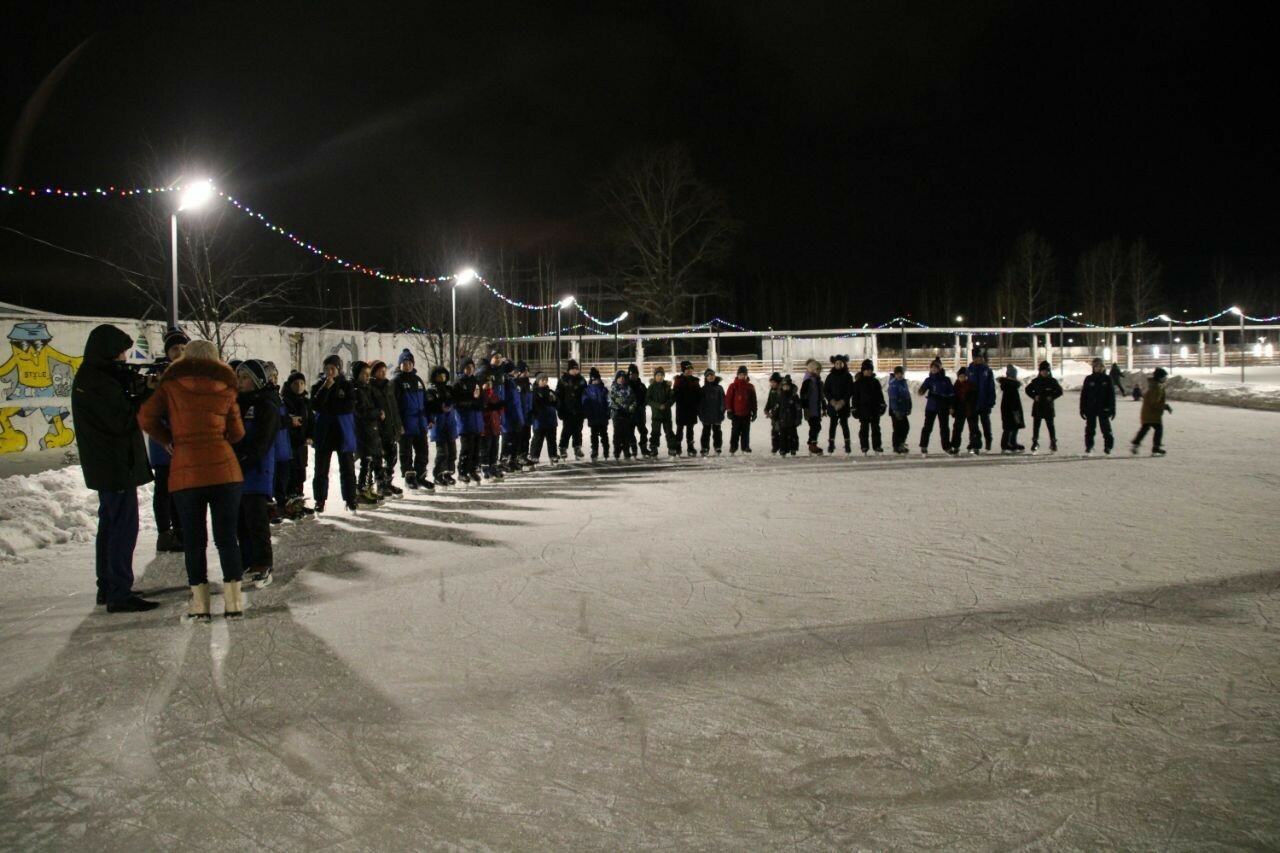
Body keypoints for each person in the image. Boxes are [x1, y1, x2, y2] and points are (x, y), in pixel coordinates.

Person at [137, 339, 244, 619]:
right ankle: (234, 604)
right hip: (225, 471)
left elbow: (146, 417)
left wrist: (168, 440)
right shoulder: (227, 386)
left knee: (195, 542)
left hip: (187, 471)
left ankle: (200, 606)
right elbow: (238, 433)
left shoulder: (170, 385)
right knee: (227, 539)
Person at [74, 324, 158, 613]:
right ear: (109, 352)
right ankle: (119, 591)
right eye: (121, 352)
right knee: (123, 527)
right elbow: (122, 420)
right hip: (114, 465)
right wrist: (146, 396)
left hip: (108, 465)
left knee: (110, 526)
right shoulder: (98, 382)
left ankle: (109, 586)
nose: (124, 358)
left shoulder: (94, 377)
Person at [233, 359, 280, 587]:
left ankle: (263, 562)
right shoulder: (238, 402)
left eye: (244, 378)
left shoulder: (266, 404)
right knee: (240, 520)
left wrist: (244, 459)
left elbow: (262, 442)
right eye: (238, 377)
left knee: (256, 520)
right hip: (237, 471)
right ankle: (246, 561)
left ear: (256, 381)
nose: (239, 382)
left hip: (256, 471)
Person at [143, 327, 189, 553]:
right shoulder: (158, 373)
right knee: (163, 487)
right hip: (163, 439)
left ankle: (181, 530)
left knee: (181, 488)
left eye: (182, 348)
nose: (179, 352)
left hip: (184, 439)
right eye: (174, 348)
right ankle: (165, 532)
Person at [312, 354, 358, 512]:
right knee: (321, 470)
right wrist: (325, 388)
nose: (330, 372)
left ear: (338, 369)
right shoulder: (319, 385)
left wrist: (330, 408)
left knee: (347, 469)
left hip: (342, 432)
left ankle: (350, 498)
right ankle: (320, 500)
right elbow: (316, 404)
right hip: (324, 433)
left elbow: (349, 406)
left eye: (333, 368)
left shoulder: (346, 386)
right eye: (327, 369)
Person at [392, 350, 432, 490]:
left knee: (423, 451)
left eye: (409, 363)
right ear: (400, 365)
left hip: (420, 423)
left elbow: (426, 401)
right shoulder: (396, 381)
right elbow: (393, 405)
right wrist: (398, 424)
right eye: (404, 363)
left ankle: (421, 476)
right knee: (406, 452)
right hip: (406, 423)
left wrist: (429, 418)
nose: (407, 366)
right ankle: (409, 477)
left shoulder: (418, 380)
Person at [350, 361, 385, 503]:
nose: (367, 377)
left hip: (371, 430)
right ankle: (361, 489)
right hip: (362, 431)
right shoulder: (355, 390)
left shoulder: (368, 388)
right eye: (364, 374)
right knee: (366, 460)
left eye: (368, 374)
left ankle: (368, 486)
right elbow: (361, 411)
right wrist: (377, 413)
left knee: (371, 459)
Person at [262, 362, 293, 522]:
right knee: (271, 477)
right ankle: (270, 507)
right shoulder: (265, 396)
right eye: (270, 376)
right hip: (273, 444)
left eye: (275, 376)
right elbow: (271, 420)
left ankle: (281, 504)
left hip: (282, 444)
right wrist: (287, 421)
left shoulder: (277, 395)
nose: (273, 379)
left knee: (282, 476)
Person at [282, 371, 313, 517]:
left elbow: (311, 422)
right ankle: (290, 504)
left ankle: (299, 501)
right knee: (290, 474)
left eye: (301, 383)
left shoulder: (306, 402)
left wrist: (311, 436)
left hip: (302, 445)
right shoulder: (285, 402)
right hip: (290, 444)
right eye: (296, 383)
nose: (299, 386)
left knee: (301, 473)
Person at [370, 360, 404, 495]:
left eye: (384, 370)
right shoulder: (371, 387)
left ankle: (388, 481)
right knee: (378, 458)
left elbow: (394, 408)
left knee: (392, 456)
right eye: (380, 371)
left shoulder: (389, 386)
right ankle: (380, 484)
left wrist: (398, 424)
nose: (383, 373)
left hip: (390, 427)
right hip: (378, 428)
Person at [452, 358, 484, 483]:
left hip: (477, 420)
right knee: (467, 448)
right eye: (467, 368)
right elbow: (456, 402)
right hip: (465, 420)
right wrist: (472, 401)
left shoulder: (476, 382)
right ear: (462, 369)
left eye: (471, 367)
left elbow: (481, 400)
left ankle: (472, 470)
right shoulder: (459, 383)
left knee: (476, 448)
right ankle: (462, 471)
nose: (469, 370)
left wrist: (478, 402)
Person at [427, 366, 458, 485]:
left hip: (450, 423)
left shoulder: (449, 389)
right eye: (439, 375)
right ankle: (438, 474)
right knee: (442, 452)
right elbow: (430, 405)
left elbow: (455, 398)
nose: (442, 377)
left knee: (452, 451)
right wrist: (441, 407)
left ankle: (448, 473)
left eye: (443, 375)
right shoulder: (431, 391)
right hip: (439, 424)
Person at [917, 358, 953, 455]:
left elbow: (951, 394)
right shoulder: (929, 380)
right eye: (932, 368)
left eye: (935, 368)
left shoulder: (946, 380)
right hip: (931, 407)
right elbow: (923, 388)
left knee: (944, 428)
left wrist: (951, 406)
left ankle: (946, 446)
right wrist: (921, 390)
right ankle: (924, 446)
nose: (933, 370)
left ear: (939, 369)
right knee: (927, 427)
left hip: (943, 407)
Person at [1080, 357, 1117, 454]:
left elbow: (1111, 395)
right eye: (1097, 366)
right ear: (1093, 367)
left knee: (1106, 429)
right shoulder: (1089, 379)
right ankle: (1089, 446)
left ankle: (1108, 447)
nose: (1099, 368)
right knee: (1090, 429)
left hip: (1103, 408)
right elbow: (1084, 395)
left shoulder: (1107, 379)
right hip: (1091, 408)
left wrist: (1112, 409)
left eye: (1101, 366)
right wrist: (1082, 408)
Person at [1132, 367, 1172, 456]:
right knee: (1158, 429)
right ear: (1159, 378)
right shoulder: (1156, 387)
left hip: (1148, 412)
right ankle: (1155, 448)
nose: (1165, 378)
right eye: (1164, 377)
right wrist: (1165, 407)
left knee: (1145, 428)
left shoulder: (1155, 385)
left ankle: (1136, 443)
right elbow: (1154, 402)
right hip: (1152, 413)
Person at [1024, 361, 1063, 453]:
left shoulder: (1052, 381)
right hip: (1038, 407)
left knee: (1050, 426)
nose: (1045, 372)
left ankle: (1053, 442)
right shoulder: (1036, 381)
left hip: (1048, 407)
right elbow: (1027, 389)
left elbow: (1059, 391)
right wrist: (1034, 396)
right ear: (1040, 371)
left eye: (1047, 371)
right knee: (1036, 426)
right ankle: (1035, 442)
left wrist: (1052, 397)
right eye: (1043, 371)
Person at [852, 358, 886, 454]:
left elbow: (880, 395)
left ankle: (877, 445)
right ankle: (864, 446)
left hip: (874, 409)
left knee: (876, 429)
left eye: (870, 370)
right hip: (863, 410)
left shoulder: (875, 382)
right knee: (864, 429)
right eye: (867, 370)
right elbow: (855, 397)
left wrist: (882, 404)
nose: (869, 372)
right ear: (863, 371)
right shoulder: (858, 383)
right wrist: (854, 408)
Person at [823, 354, 855, 453]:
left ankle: (847, 444)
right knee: (832, 424)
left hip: (843, 405)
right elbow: (826, 390)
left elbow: (850, 390)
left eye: (841, 363)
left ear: (844, 364)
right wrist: (831, 400)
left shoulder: (848, 376)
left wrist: (843, 401)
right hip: (832, 405)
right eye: (837, 363)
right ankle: (831, 444)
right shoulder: (830, 376)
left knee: (844, 424)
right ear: (834, 364)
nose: (838, 365)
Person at [967, 347, 997, 452]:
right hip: (972, 402)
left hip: (984, 401)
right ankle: (974, 443)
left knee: (986, 423)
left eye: (979, 357)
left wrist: (991, 400)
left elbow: (991, 387)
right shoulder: (969, 370)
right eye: (975, 357)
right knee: (973, 425)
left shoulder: (987, 370)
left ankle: (988, 440)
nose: (977, 359)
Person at [557, 358, 587, 460]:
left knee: (578, 430)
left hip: (579, 410)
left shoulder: (582, 380)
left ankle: (577, 447)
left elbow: (586, 395)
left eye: (576, 369)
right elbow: (559, 396)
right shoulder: (563, 380)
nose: (575, 371)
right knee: (567, 430)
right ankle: (563, 447)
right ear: (568, 370)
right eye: (573, 369)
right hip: (567, 410)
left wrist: (585, 409)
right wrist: (560, 410)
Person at [498, 359, 525, 472]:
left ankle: (512, 460)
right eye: (513, 370)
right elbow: (504, 399)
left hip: (515, 414)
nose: (516, 372)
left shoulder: (512, 381)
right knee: (508, 438)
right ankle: (504, 460)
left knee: (516, 438)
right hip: (508, 415)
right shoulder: (505, 381)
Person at [724, 365, 757, 454]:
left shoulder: (750, 387)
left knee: (745, 432)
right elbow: (728, 399)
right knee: (735, 431)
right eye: (741, 374)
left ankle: (745, 446)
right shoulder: (733, 386)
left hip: (746, 414)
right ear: (738, 375)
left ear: (746, 375)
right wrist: (729, 410)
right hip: (736, 414)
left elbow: (753, 400)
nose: (742, 376)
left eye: (744, 374)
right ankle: (733, 447)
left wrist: (754, 412)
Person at [528, 372, 560, 465]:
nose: (545, 382)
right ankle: (534, 456)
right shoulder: (534, 392)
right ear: (538, 381)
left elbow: (557, 404)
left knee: (552, 439)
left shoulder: (550, 391)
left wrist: (555, 400)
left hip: (551, 420)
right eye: (543, 380)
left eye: (546, 380)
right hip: (539, 420)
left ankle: (553, 455)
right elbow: (534, 405)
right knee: (538, 439)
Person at [479, 372, 505, 480]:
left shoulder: (494, 394)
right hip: (486, 428)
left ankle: (493, 465)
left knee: (495, 447)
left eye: (490, 383)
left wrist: (499, 408)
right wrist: (489, 409)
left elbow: (500, 409)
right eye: (486, 383)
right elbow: (481, 410)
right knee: (486, 448)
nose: (488, 385)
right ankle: (484, 467)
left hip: (495, 426)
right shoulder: (481, 395)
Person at [608, 369, 639, 459]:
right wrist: (620, 404)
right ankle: (617, 451)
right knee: (617, 434)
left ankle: (626, 451)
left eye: (623, 378)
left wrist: (630, 407)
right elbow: (610, 401)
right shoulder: (612, 389)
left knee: (626, 434)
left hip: (627, 414)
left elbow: (633, 401)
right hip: (616, 414)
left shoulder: (629, 389)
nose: (621, 379)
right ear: (616, 379)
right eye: (619, 378)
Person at [672, 360, 701, 457]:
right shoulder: (678, 380)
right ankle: (678, 446)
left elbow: (699, 394)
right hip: (682, 408)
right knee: (679, 428)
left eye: (690, 369)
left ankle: (690, 446)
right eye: (687, 369)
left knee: (690, 429)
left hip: (692, 409)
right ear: (683, 370)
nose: (689, 371)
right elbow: (675, 393)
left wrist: (697, 404)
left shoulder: (695, 380)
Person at [647, 366, 677, 457]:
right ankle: (654, 448)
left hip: (666, 415)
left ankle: (672, 448)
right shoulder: (651, 387)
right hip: (656, 414)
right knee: (655, 432)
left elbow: (672, 398)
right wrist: (657, 405)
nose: (659, 377)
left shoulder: (667, 386)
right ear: (655, 376)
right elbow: (648, 399)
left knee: (669, 432)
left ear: (663, 376)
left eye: (661, 375)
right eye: (658, 375)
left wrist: (666, 405)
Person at [583, 366, 611, 460]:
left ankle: (606, 450)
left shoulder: (604, 389)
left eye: (597, 379)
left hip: (603, 417)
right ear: (591, 380)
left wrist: (608, 413)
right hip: (593, 417)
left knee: (604, 434)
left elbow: (608, 402)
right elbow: (585, 402)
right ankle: (594, 450)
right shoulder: (587, 390)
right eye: (593, 380)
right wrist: (588, 413)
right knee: (594, 435)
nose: (595, 381)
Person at [997, 364, 1026, 453]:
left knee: (1014, 426)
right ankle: (1006, 444)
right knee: (1009, 427)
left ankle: (1012, 442)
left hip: (1011, 409)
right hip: (1011, 409)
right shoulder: (1010, 385)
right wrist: (1014, 410)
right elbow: (1011, 400)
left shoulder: (1010, 385)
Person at [800, 359, 825, 455]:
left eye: (819, 370)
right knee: (815, 426)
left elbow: (821, 395)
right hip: (810, 409)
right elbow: (803, 394)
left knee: (817, 426)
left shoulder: (818, 382)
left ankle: (812, 443)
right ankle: (812, 445)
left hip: (817, 409)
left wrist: (824, 406)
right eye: (817, 369)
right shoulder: (807, 382)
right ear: (811, 370)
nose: (818, 371)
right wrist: (805, 406)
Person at [698, 368, 725, 456]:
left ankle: (717, 447)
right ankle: (704, 447)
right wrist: (701, 413)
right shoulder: (703, 389)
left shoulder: (719, 388)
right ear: (706, 378)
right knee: (706, 432)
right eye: (708, 376)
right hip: (706, 415)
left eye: (712, 375)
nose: (710, 377)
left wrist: (722, 411)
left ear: (714, 376)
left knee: (717, 432)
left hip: (717, 414)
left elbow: (723, 401)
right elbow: (700, 403)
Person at [627, 364, 652, 457]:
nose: (633, 376)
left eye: (635, 374)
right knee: (630, 431)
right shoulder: (626, 386)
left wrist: (643, 404)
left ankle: (644, 447)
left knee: (643, 431)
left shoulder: (641, 385)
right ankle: (633, 447)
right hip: (630, 413)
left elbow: (647, 396)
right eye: (631, 374)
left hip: (640, 412)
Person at [775, 374, 803, 456]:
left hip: (792, 421)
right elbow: (777, 408)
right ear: (782, 387)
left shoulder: (794, 396)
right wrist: (775, 418)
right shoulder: (780, 396)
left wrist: (798, 418)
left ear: (790, 386)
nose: (786, 388)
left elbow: (798, 408)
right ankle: (783, 449)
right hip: (782, 420)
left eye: (787, 386)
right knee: (783, 436)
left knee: (793, 435)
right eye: (784, 386)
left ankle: (793, 448)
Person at [887, 365, 912, 454]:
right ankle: (896, 445)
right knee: (898, 428)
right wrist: (895, 410)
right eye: (897, 374)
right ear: (895, 374)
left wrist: (909, 406)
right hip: (895, 411)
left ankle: (901, 443)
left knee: (905, 427)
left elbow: (907, 396)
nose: (899, 375)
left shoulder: (903, 383)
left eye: (901, 373)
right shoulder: (893, 384)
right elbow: (893, 398)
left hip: (903, 409)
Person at [951, 366, 975, 455]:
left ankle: (972, 446)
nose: (962, 378)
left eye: (964, 376)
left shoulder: (971, 385)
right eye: (960, 376)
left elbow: (973, 398)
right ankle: (955, 446)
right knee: (957, 429)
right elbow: (953, 398)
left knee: (972, 429)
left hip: (969, 410)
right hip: (959, 410)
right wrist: (952, 407)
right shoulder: (956, 385)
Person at [764, 371, 782, 454]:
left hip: (781, 415)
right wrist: (766, 409)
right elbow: (769, 401)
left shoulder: (781, 391)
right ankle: (775, 446)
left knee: (780, 431)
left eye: (774, 382)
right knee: (774, 431)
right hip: (774, 415)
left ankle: (782, 446)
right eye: (771, 382)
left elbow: (781, 403)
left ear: (778, 382)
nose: (772, 384)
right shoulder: (772, 390)